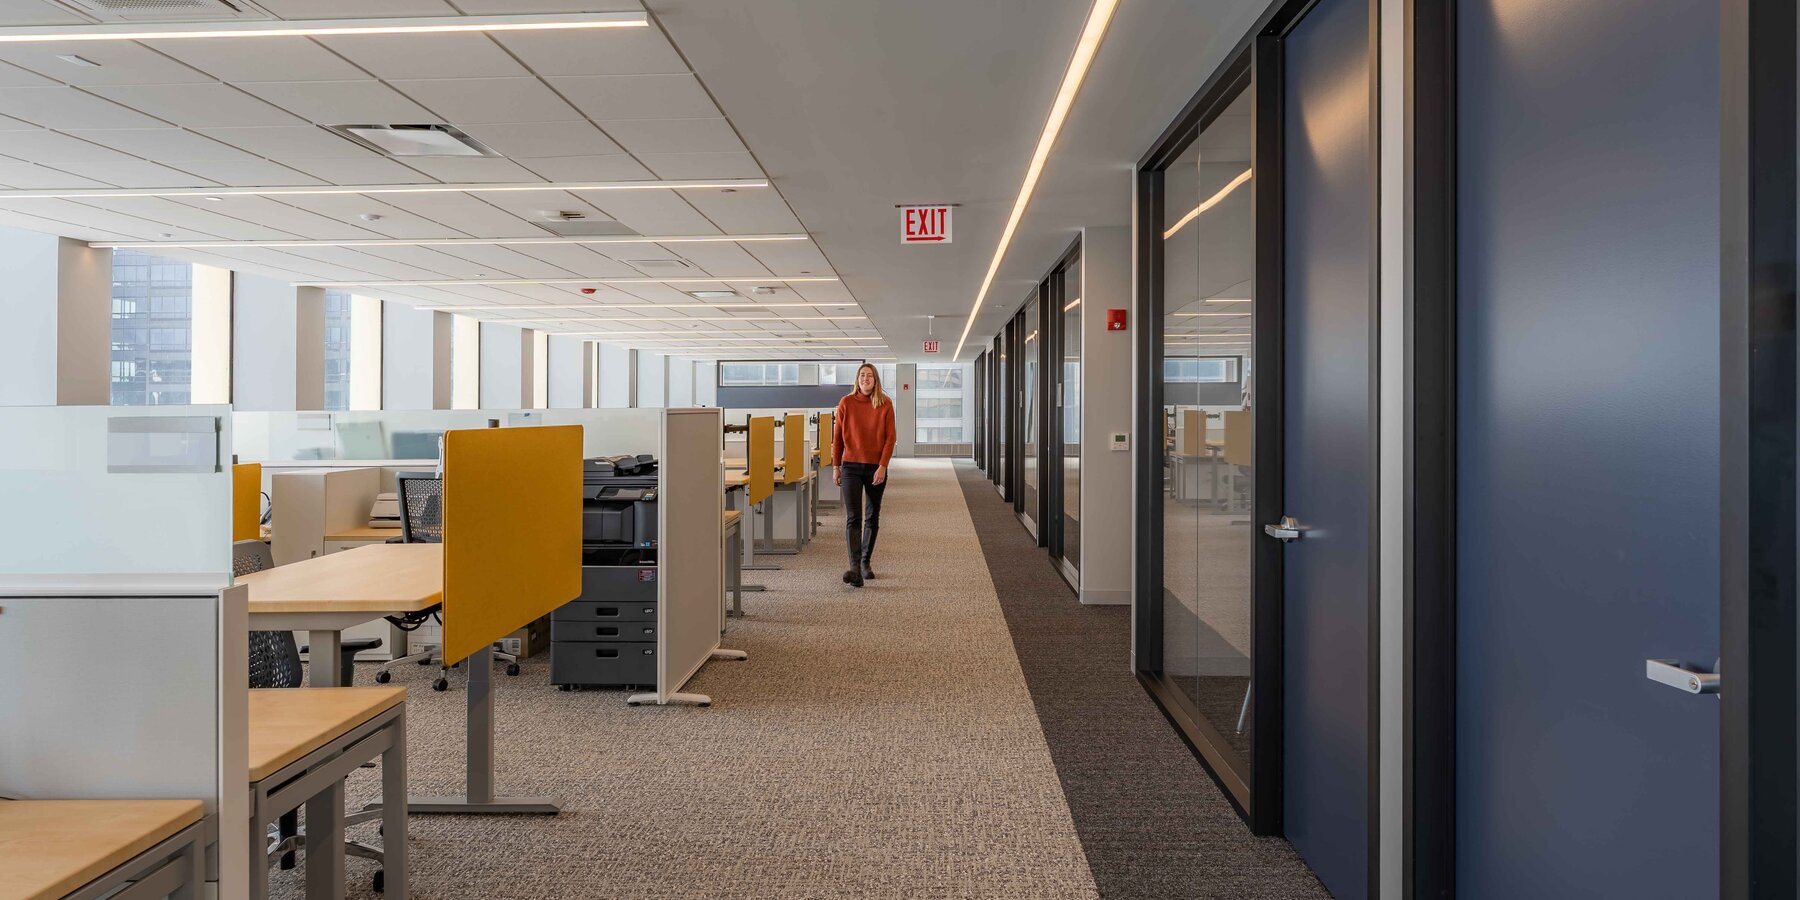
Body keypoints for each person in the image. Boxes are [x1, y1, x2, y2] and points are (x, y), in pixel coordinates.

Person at [832, 362, 896, 588]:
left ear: (875, 380)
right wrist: (836, 466)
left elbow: (890, 438)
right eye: (862, 375)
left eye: (869, 375)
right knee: (853, 518)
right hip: (850, 466)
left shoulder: (885, 403)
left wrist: (883, 466)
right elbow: (838, 437)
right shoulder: (846, 403)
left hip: (875, 467)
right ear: (857, 379)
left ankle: (866, 562)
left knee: (872, 515)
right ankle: (855, 567)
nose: (865, 379)